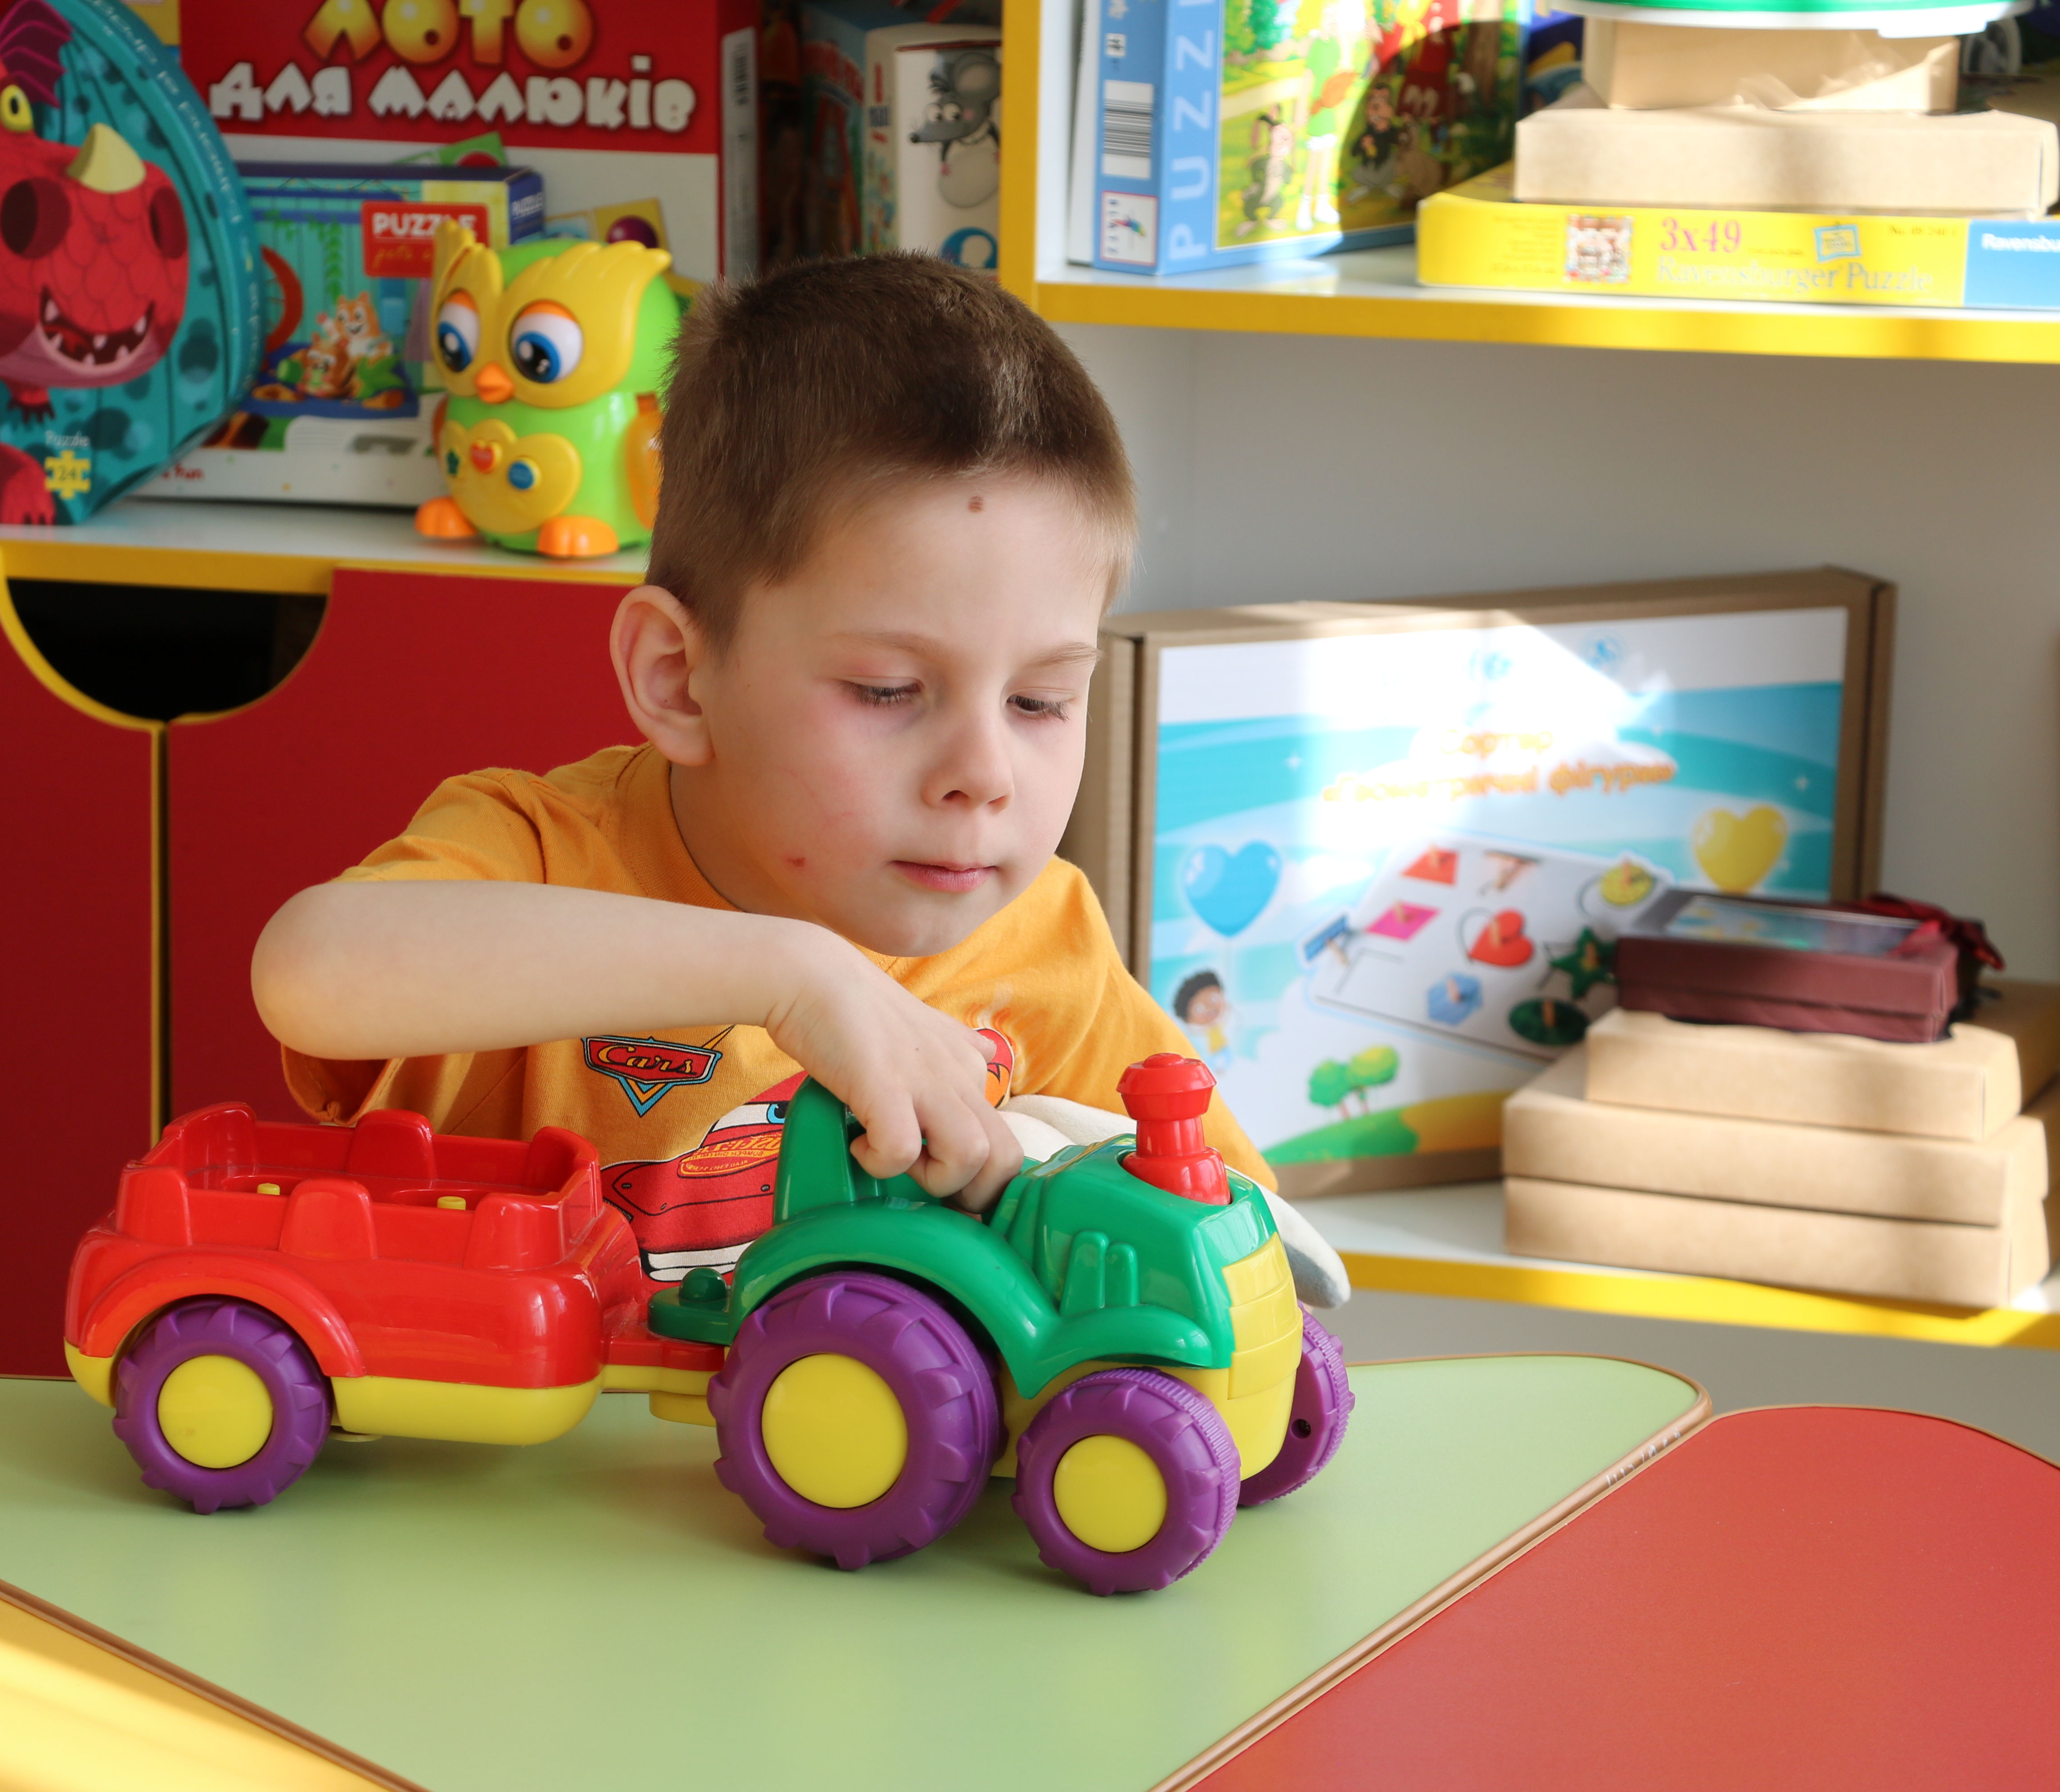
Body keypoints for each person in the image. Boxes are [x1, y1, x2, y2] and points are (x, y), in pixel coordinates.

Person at [252, 254, 1309, 1289]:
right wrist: (791, 973)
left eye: (1039, 700)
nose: (984, 774)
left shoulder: (1048, 941)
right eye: (889, 690)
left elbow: (1238, 1250)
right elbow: (308, 970)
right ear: (679, 677)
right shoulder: (539, 850)